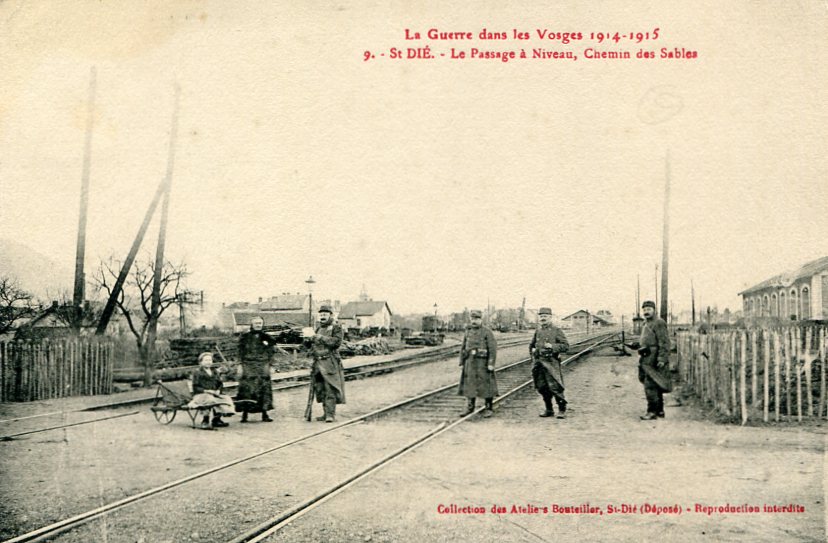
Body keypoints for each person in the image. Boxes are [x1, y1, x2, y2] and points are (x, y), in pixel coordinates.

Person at [304, 305, 346, 422]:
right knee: (320, 389)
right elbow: (311, 346)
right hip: (318, 363)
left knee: (330, 388)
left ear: (330, 315)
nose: (322, 316)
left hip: (330, 362)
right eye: (321, 314)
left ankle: (330, 415)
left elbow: (336, 342)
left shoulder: (336, 328)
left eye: (325, 314)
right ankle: (325, 413)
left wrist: (319, 337)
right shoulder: (317, 328)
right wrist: (307, 341)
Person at [530, 307, 570, 419]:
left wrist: (553, 346)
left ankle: (562, 410)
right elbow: (532, 345)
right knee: (542, 387)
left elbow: (566, 346)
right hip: (539, 363)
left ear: (550, 317)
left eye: (545, 316)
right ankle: (549, 409)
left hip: (551, 363)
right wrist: (533, 352)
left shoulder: (556, 330)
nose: (543, 318)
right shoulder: (538, 331)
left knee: (555, 386)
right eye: (541, 316)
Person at [458, 310, 498, 418]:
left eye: (476, 319)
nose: (474, 321)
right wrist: (462, 360)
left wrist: (491, 363)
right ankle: (470, 407)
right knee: (470, 384)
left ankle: (488, 407)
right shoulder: (468, 331)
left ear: (481, 319)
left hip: (482, 363)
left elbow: (493, 349)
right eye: (472, 319)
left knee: (486, 385)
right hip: (470, 362)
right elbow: (463, 346)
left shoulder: (487, 332)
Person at [638, 300, 672, 420]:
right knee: (655, 384)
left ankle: (652, 411)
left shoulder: (659, 323)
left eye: (649, 309)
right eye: (644, 310)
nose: (646, 312)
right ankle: (660, 411)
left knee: (650, 385)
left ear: (654, 310)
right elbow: (647, 339)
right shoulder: (646, 323)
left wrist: (662, 358)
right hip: (646, 357)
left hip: (654, 358)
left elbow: (664, 342)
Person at [236, 317, 275, 422]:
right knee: (247, 389)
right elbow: (240, 352)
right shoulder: (244, 337)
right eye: (256, 323)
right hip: (248, 365)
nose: (258, 325)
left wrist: (271, 366)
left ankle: (264, 413)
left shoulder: (267, 337)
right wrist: (239, 365)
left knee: (264, 389)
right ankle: (245, 414)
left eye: (260, 323)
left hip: (263, 365)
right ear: (251, 324)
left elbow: (271, 353)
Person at [189, 352, 236, 429]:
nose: (208, 362)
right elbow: (195, 387)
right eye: (206, 360)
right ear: (201, 362)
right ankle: (205, 421)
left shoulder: (215, 371)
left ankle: (217, 419)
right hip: (201, 394)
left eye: (210, 360)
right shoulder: (197, 372)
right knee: (210, 399)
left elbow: (220, 384)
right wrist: (207, 391)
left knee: (226, 398)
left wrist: (218, 390)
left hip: (214, 393)